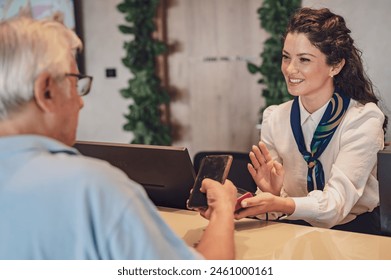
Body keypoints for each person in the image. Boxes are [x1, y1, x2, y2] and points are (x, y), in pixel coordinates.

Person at [0, 16, 237, 259]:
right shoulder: (92, 189)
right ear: (46, 90)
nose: (80, 102)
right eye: (75, 83)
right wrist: (223, 211)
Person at [235, 7, 387, 235]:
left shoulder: (363, 119)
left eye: (304, 59)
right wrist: (271, 195)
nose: (290, 69)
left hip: (354, 235)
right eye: (286, 57)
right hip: (291, 231)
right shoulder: (274, 118)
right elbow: (273, 206)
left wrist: (281, 203)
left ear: (335, 66)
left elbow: (336, 205)